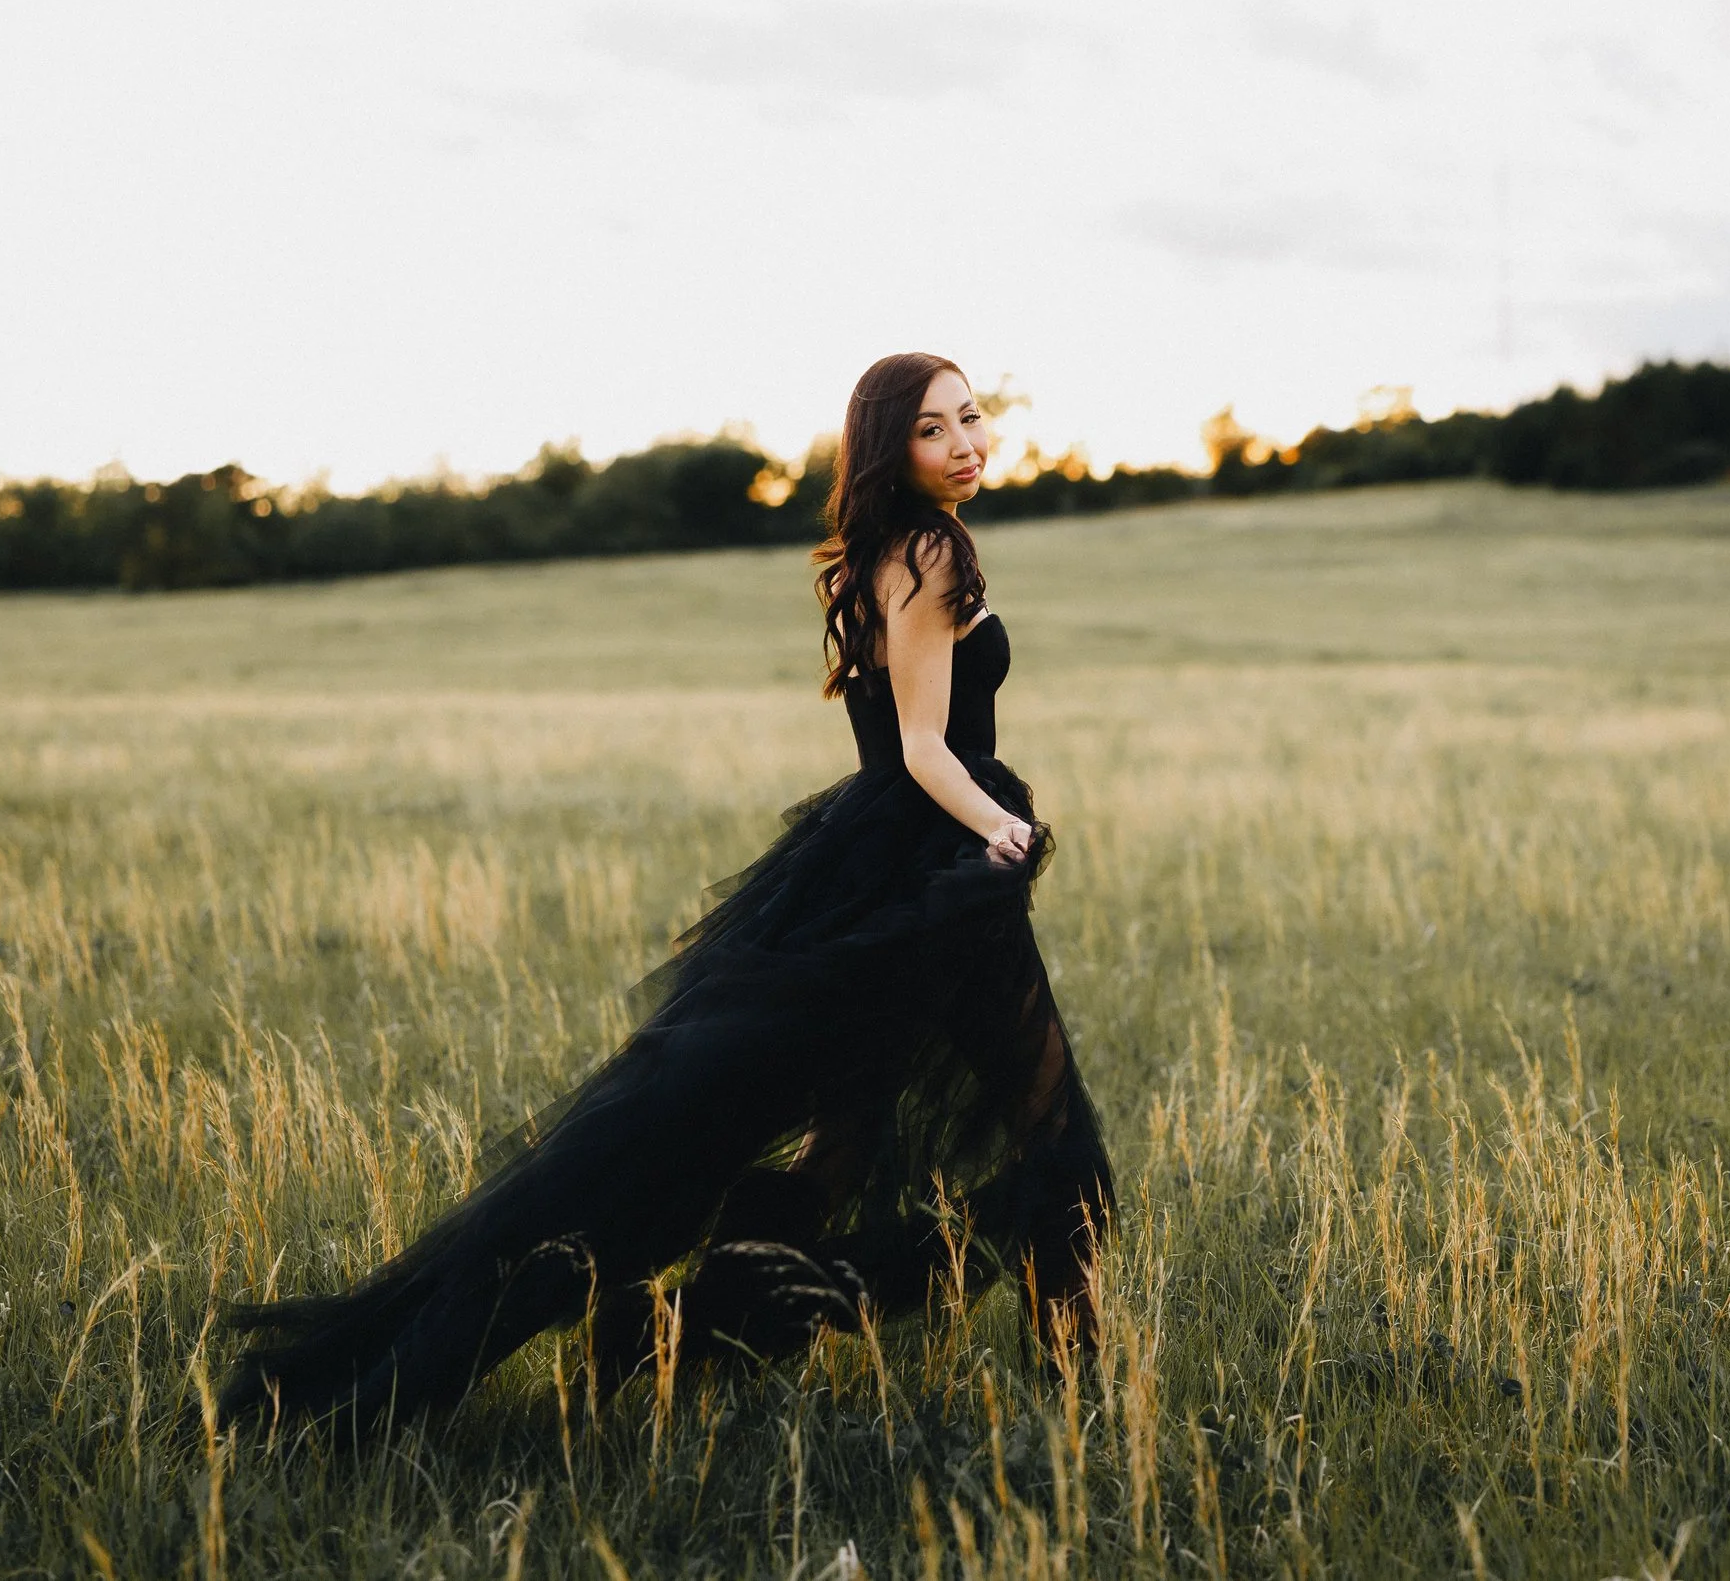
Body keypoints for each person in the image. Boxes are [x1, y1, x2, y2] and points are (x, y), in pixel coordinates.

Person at [219, 353, 1112, 1431]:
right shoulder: (928, 549)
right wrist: (1003, 828)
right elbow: (925, 747)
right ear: (889, 447)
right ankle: (1087, 1408)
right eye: (935, 429)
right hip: (933, 868)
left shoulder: (885, 546)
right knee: (1061, 1150)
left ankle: (671, 1330)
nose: (966, 443)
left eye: (972, 418)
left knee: (845, 1139)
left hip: (888, 867)